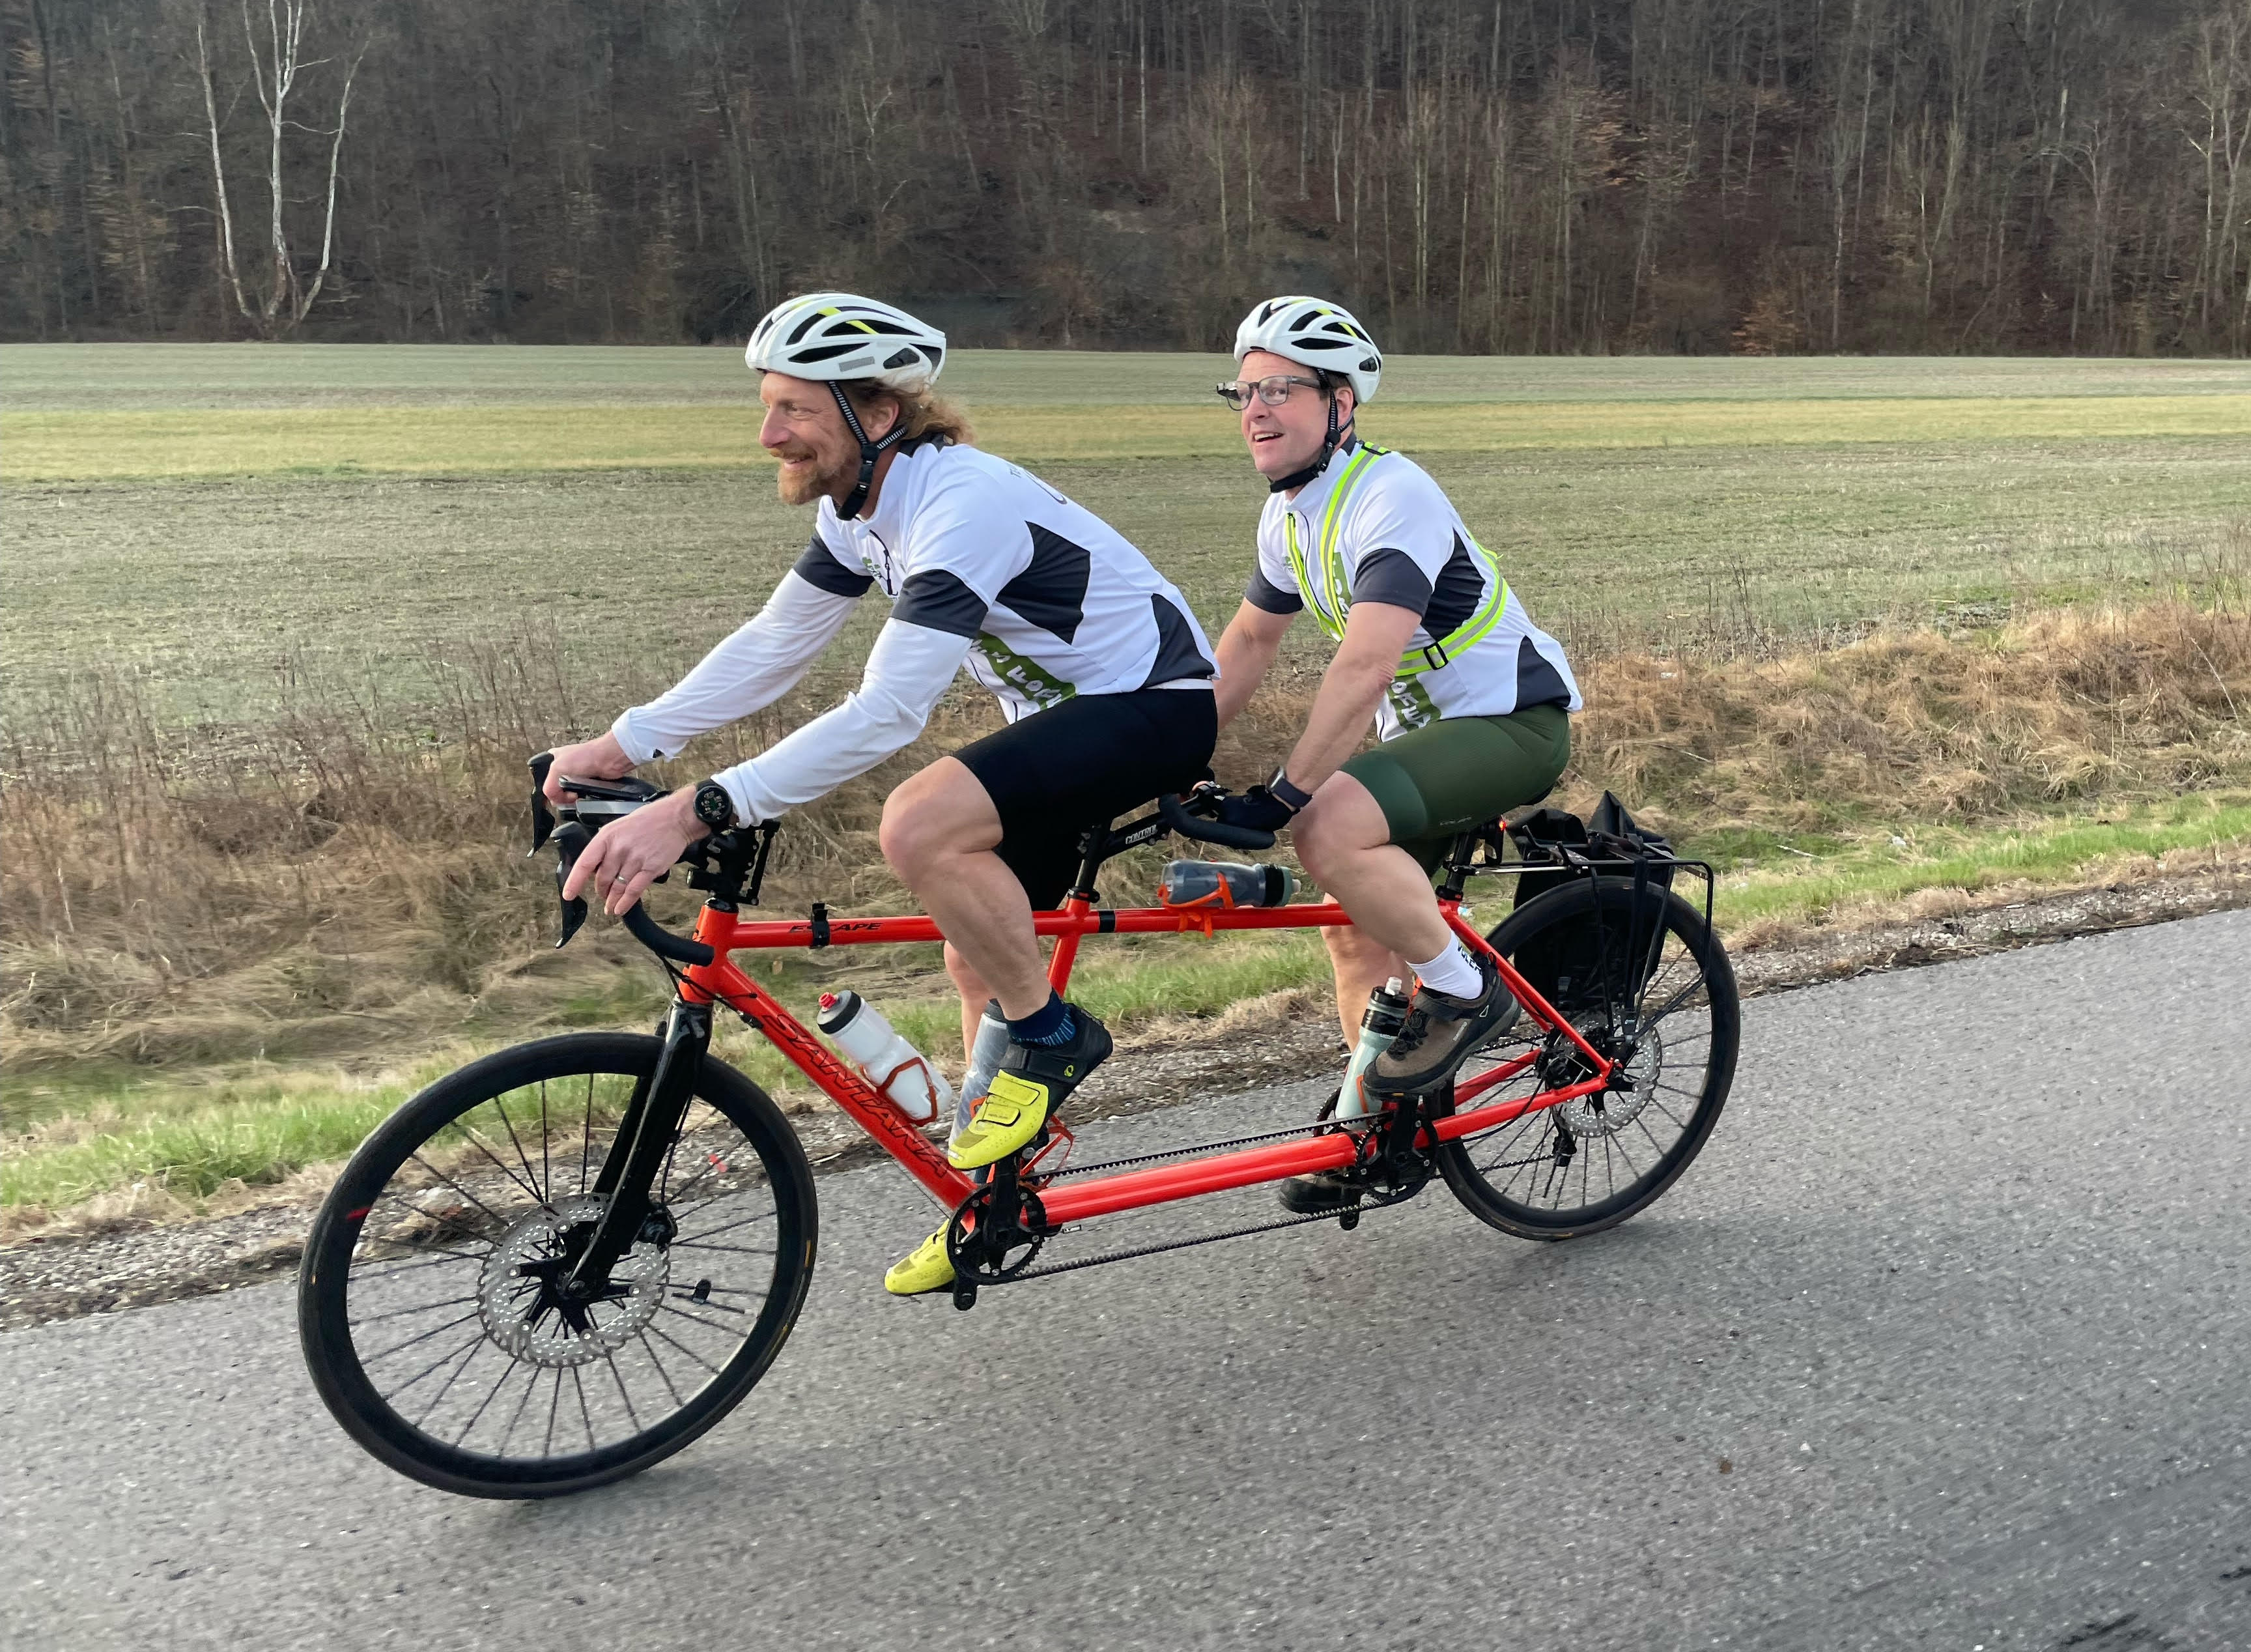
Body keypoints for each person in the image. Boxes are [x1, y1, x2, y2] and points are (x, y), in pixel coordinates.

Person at [543, 293, 1221, 1293]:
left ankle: (1055, 1038)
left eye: (796, 410)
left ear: (879, 412)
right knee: (973, 946)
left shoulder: (961, 505)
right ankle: (996, 1195)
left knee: (919, 827)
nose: (770, 433)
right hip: (1076, 722)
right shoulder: (859, 508)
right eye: (768, 405)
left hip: (1154, 709)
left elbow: (888, 711)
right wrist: (623, 742)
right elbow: (776, 644)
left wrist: (700, 806)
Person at [1206, 298, 1581, 1210]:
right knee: (1353, 926)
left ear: (1343, 401)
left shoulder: (1391, 493)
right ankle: (1381, 1132)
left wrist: (1287, 793)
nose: (1254, 409)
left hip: (1513, 723)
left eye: (1279, 390)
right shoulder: (1290, 516)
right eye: (1242, 391)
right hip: (1429, 741)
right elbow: (1250, 644)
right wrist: (1163, 753)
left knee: (1328, 829)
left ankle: (1463, 993)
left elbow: (1367, 660)